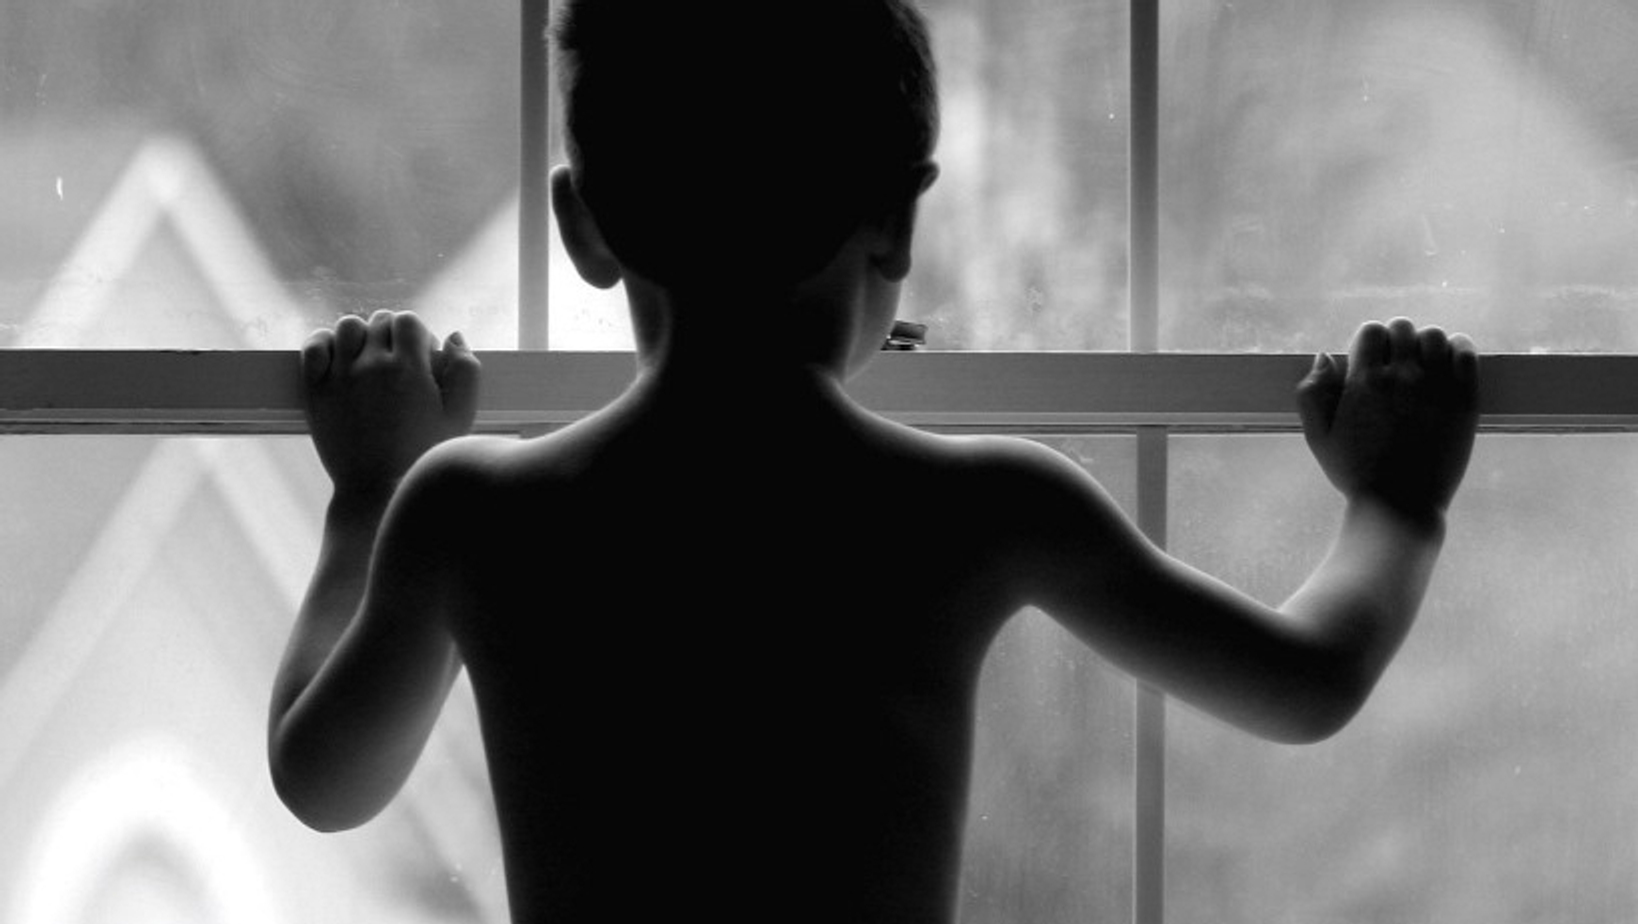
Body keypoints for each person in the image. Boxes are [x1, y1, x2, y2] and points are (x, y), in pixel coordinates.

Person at [266, 1, 1480, 921]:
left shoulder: (472, 515)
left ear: (584, 228)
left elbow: (323, 782)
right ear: (896, 220)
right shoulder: (982, 511)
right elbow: (1305, 682)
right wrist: (1398, 503)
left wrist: (367, 491)